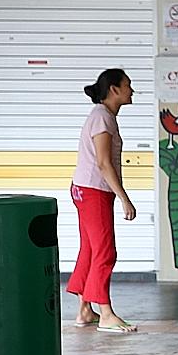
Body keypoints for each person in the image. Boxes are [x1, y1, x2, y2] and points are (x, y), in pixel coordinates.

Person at [67, 69, 138, 334]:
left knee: (91, 249)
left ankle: (85, 310)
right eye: (128, 85)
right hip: (93, 191)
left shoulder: (103, 116)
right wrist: (125, 199)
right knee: (106, 251)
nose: (132, 90)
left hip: (87, 190)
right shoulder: (102, 118)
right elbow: (103, 163)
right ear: (114, 89)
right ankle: (105, 312)